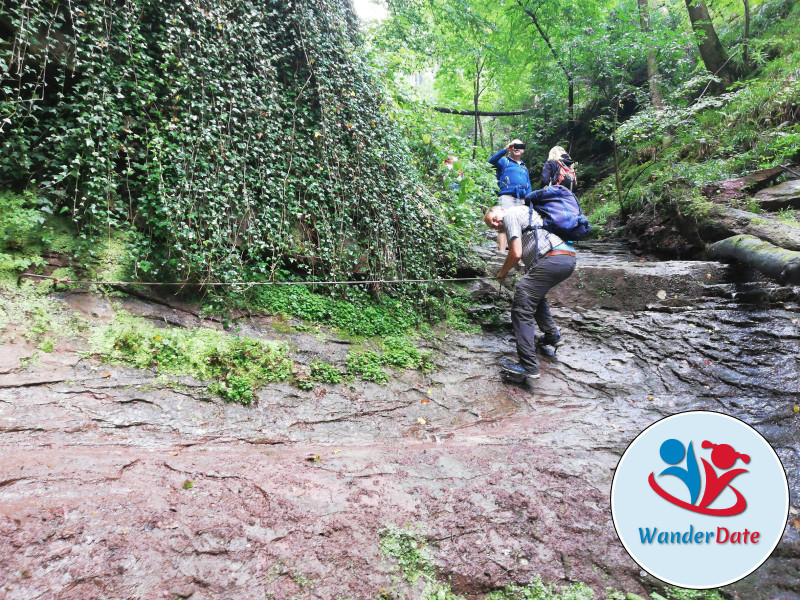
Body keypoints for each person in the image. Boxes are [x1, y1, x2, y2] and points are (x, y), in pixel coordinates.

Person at [484, 204, 576, 379]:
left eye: (494, 219)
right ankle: (552, 336)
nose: (496, 224)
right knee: (535, 296)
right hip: (566, 258)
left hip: (553, 258)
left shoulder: (509, 215)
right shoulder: (524, 213)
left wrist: (502, 272)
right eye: (492, 226)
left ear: (501, 210)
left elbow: (516, 253)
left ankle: (529, 366)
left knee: (521, 307)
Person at [488, 139, 532, 252]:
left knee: (522, 226)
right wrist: (504, 150)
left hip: (522, 199)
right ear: (510, 149)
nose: (517, 148)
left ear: (523, 150)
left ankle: (517, 253)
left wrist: (530, 200)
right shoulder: (504, 161)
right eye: (514, 146)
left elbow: (528, 184)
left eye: (520, 146)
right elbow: (490, 163)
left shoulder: (524, 167)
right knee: (503, 225)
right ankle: (501, 254)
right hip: (506, 197)